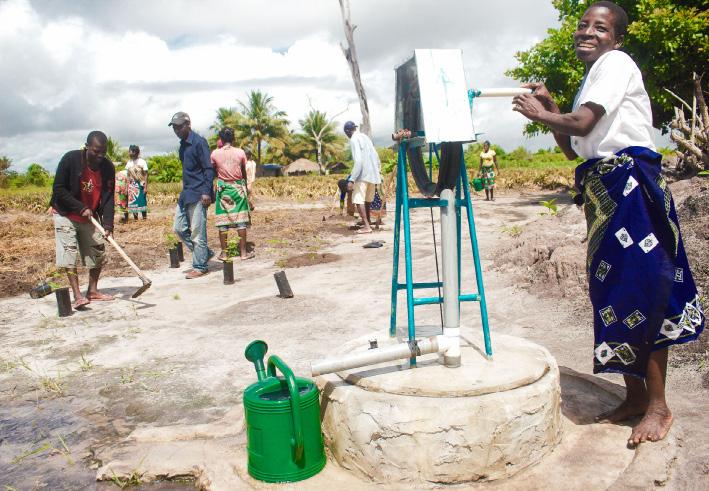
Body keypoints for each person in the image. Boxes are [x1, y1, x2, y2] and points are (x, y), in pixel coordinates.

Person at [512, 1, 704, 447]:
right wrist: (552, 106)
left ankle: (658, 406)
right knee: (614, 290)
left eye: (601, 27)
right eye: (583, 25)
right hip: (606, 193)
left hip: (631, 189)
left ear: (616, 39)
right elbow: (574, 144)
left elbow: (583, 123)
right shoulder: (594, 77)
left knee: (645, 288)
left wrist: (540, 114)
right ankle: (635, 399)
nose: (588, 32)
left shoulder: (616, 64)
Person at [50, 130, 116, 309]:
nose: (100, 156)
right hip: (65, 214)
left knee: (97, 250)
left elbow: (109, 198)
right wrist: (80, 207)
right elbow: (59, 189)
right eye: (96, 151)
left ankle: (92, 291)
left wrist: (108, 224)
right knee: (69, 253)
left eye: (103, 151)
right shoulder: (70, 160)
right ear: (87, 147)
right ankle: (77, 295)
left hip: (89, 216)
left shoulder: (107, 167)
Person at [169, 111, 215, 279]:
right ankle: (204, 253)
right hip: (186, 193)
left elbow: (208, 169)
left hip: (198, 193)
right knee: (179, 228)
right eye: (174, 127)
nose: (176, 130)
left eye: (179, 127)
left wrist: (206, 192)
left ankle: (200, 265)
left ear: (188, 124)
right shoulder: (183, 145)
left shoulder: (199, 142)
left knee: (197, 232)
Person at [210, 127, 254, 261]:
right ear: (233, 138)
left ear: (221, 139)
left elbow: (213, 173)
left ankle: (224, 254)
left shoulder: (214, 154)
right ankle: (243, 253)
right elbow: (243, 172)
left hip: (223, 190)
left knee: (223, 223)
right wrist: (245, 187)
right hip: (237, 189)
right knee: (241, 222)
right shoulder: (241, 153)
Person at [344, 121, 381, 234]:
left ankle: (366, 226)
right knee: (367, 200)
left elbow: (358, 161)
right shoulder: (365, 137)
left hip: (362, 175)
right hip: (373, 174)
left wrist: (352, 179)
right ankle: (368, 221)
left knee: (358, 199)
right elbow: (375, 155)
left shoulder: (354, 139)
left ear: (347, 131)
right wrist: (378, 171)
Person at [125, 145, 148, 220]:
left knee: (142, 202)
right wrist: (127, 186)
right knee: (134, 203)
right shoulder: (129, 163)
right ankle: (136, 220)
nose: (129, 153)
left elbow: (145, 175)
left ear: (134, 152)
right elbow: (127, 175)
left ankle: (144, 218)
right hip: (132, 186)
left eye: (130, 151)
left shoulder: (142, 162)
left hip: (141, 184)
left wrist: (145, 187)